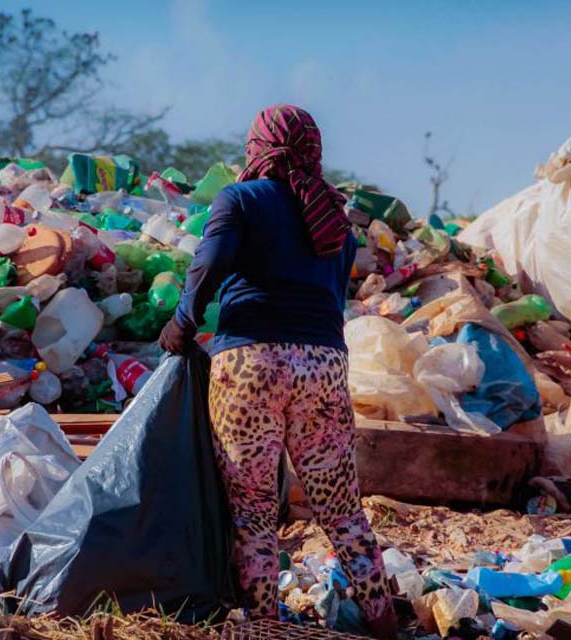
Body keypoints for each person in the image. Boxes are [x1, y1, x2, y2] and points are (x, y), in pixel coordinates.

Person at [160, 105, 397, 637]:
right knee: (342, 509)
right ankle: (386, 625)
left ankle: (267, 628)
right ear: (313, 150)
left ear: (256, 148)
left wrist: (182, 321)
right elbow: (334, 297)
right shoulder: (334, 218)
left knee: (253, 512)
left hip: (250, 365)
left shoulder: (240, 199)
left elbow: (210, 262)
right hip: (324, 366)